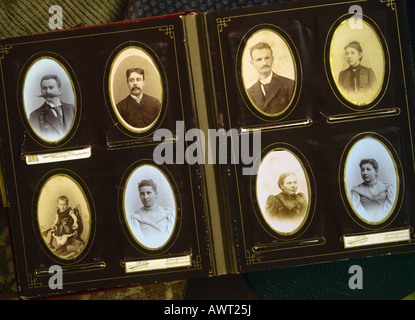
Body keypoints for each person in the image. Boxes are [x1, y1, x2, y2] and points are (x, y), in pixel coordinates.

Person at [247, 42, 295, 115]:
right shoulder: (249, 93)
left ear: (272, 59)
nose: (264, 63)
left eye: (267, 58)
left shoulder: (290, 85)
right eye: (259, 59)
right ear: (252, 63)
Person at [29, 74, 75, 141]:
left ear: (59, 90)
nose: (48, 92)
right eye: (44, 88)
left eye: (51, 87)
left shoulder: (72, 109)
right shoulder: (35, 116)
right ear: (41, 90)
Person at [130, 179, 174, 248]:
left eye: (148, 193)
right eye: (142, 194)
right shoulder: (136, 218)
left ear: (156, 194)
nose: (145, 197)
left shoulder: (168, 214)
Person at [351, 158, 395, 223]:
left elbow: (391, 207)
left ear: (376, 172)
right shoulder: (356, 191)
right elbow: (357, 210)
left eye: (368, 169)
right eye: (362, 170)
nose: (365, 173)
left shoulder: (387, 188)